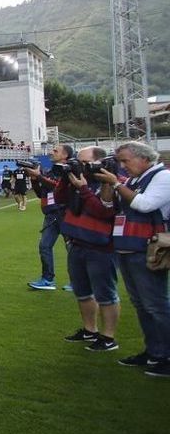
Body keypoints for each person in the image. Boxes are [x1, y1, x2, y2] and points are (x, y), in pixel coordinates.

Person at [99, 141, 170, 377]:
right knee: (141, 304)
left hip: (148, 249)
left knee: (155, 304)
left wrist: (117, 183)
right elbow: (108, 205)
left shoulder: (162, 177)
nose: (122, 166)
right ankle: (154, 352)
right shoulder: (132, 180)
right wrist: (110, 185)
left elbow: (144, 204)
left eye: (125, 161)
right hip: (128, 247)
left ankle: (165, 355)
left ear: (144, 158)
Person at [56, 147, 120, 351]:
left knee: (105, 293)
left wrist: (83, 188)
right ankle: (89, 330)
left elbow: (103, 211)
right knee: (82, 292)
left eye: (84, 162)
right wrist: (67, 178)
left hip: (100, 247)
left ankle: (108, 336)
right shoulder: (79, 180)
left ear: (98, 163)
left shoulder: (109, 183)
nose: (80, 166)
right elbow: (59, 199)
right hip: (77, 244)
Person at [26, 145, 73, 290]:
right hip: (51, 214)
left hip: (65, 213)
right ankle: (47, 279)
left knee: (72, 248)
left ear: (65, 155)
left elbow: (57, 187)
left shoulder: (69, 171)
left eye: (56, 151)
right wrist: (34, 179)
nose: (51, 153)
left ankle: (78, 281)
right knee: (44, 246)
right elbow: (42, 193)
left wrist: (39, 176)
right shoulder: (50, 172)